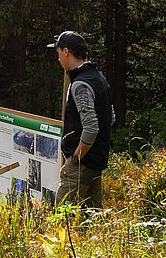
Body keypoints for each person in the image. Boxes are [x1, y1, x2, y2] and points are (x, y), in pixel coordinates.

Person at [48, 31, 115, 209]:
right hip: (95, 163)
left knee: (62, 217)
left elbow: (92, 127)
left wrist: (76, 158)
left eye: (58, 52)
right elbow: (111, 117)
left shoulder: (80, 85)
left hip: (82, 164)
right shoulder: (99, 78)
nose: (58, 58)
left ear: (66, 52)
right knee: (92, 220)